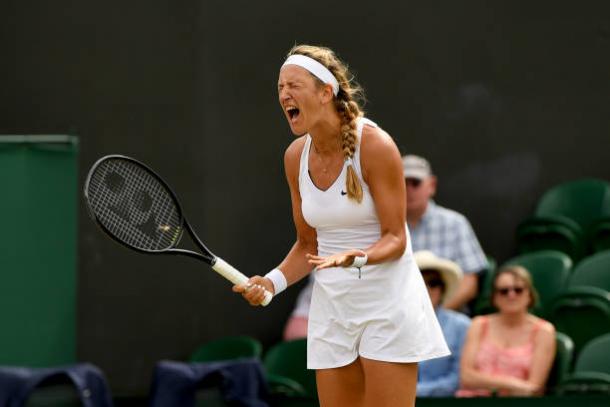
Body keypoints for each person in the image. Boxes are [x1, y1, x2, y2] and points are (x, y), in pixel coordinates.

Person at [233, 44, 449, 407]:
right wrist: (272, 282)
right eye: (280, 87)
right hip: (332, 309)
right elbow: (307, 245)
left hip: (388, 306)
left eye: (294, 85)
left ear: (325, 92)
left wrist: (357, 257)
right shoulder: (294, 157)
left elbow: (396, 238)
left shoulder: (376, 145)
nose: (284, 94)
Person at [283, 154, 488, 340]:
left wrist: (429, 314)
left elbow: (469, 283)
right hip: (380, 318)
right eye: (401, 182)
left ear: (431, 185)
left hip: (441, 320)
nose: (408, 189)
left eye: (415, 182)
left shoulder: (454, 224)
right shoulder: (369, 223)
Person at [457, 265, 556, 397]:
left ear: (529, 294)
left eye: (518, 290)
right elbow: (466, 377)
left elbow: (533, 388)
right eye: (504, 291)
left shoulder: (544, 331)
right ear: (494, 297)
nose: (511, 295)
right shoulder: (478, 324)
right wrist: (511, 384)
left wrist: (485, 383)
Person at [414, 251, 471, 397]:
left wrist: (414, 391)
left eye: (433, 283)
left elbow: (457, 379)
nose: (426, 289)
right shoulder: (392, 324)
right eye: (419, 281)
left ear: (442, 289)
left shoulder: (462, 325)